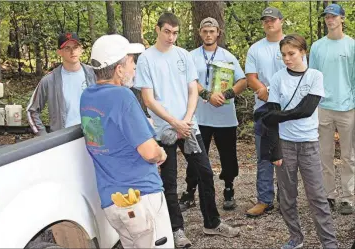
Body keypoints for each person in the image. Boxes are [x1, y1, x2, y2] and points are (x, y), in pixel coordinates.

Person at [134, 12, 240, 248]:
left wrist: (187, 119)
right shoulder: (146, 59)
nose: (171, 37)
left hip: (189, 126)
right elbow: (148, 100)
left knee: (205, 172)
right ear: (158, 30)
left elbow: (193, 90)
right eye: (167, 32)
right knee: (169, 181)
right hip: (164, 130)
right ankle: (176, 230)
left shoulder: (183, 55)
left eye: (175, 33)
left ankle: (212, 223)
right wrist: (174, 122)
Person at [79, 34, 174, 248]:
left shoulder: (88, 96)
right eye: (131, 61)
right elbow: (149, 152)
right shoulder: (122, 96)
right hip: (140, 198)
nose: (134, 67)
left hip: (112, 202)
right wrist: (161, 153)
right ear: (118, 69)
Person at [256, 34, 338, 249]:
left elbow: (306, 110)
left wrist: (277, 115)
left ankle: (329, 243)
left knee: (317, 197)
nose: (287, 59)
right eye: (283, 55)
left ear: (303, 52)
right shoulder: (277, 78)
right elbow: (272, 119)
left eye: (291, 54)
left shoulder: (315, 76)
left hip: (309, 143)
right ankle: (295, 237)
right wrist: (275, 151)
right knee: (287, 196)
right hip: (285, 144)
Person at [179, 17, 247, 211]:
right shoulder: (190, 56)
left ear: (218, 33)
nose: (208, 35)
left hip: (225, 117)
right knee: (195, 155)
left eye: (212, 31)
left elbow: (242, 81)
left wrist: (226, 94)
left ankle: (228, 190)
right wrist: (207, 94)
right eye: (205, 31)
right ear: (200, 33)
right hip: (198, 117)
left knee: (228, 156)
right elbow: (187, 80)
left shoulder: (228, 56)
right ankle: (190, 192)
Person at [309, 3, 355, 215]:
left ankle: (347, 197)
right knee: (324, 154)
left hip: (347, 108)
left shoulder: (351, 46)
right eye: (327, 16)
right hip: (323, 107)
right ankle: (328, 195)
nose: (330, 19)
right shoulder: (318, 46)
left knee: (348, 156)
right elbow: (313, 78)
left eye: (334, 16)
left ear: (342, 19)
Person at [244, 7, 286, 217]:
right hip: (263, 107)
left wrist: (272, 91)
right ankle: (264, 200)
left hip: (288, 107)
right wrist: (265, 91)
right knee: (264, 156)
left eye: (273, 19)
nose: (269, 23)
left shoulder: (291, 44)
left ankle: (286, 199)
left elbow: (298, 72)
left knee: (287, 154)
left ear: (281, 21)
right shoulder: (256, 49)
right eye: (266, 20)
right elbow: (251, 77)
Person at [27, 32, 96, 135]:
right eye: (67, 48)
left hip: (92, 136)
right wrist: (43, 136)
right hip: (63, 139)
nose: (72, 51)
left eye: (75, 47)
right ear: (59, 52)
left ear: (81, 50)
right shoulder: (50, 80)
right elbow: (31, 110)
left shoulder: (94, 74)